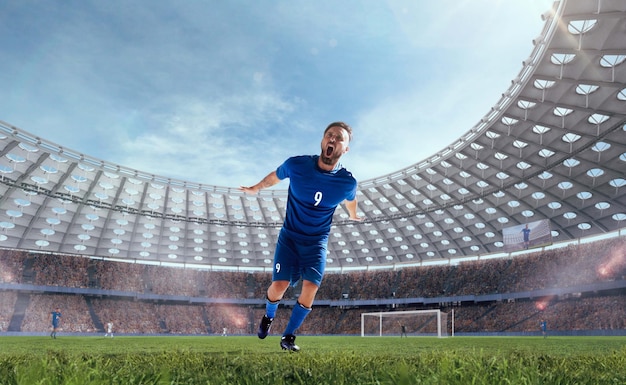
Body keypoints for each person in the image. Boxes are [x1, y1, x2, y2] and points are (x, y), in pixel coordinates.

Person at [240, 121, 362, 352]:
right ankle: (268, 316)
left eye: (339, 138)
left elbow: (351, 200)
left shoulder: (347, 182)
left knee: (311, 288)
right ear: (323, 140)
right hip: (290, 238)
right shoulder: (296, 165)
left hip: (316, 243)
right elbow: (275, 177)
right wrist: (256, 188)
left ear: (345, 149)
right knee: (279, 286)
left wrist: (354, 215)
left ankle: (288, 337)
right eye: (329, 135)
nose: (333, 139)